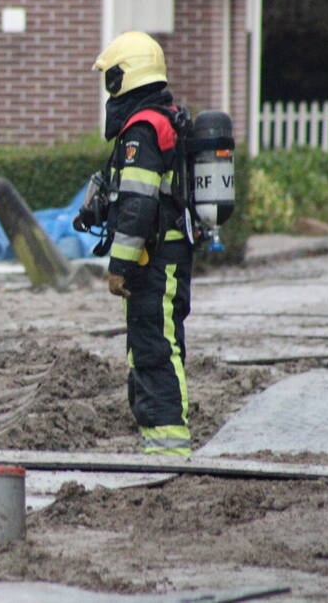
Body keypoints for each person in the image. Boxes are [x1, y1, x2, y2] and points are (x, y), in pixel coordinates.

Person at [87, 31, 193, 456]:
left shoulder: (142, 129)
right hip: (166, 254)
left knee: (154, 350)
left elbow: (138, 205)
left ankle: (169, 450)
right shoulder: (163, 119)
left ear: (122, 77)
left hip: (155, 259)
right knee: (155, 345)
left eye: (110, 77)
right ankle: (161, 444)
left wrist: (119, 266)